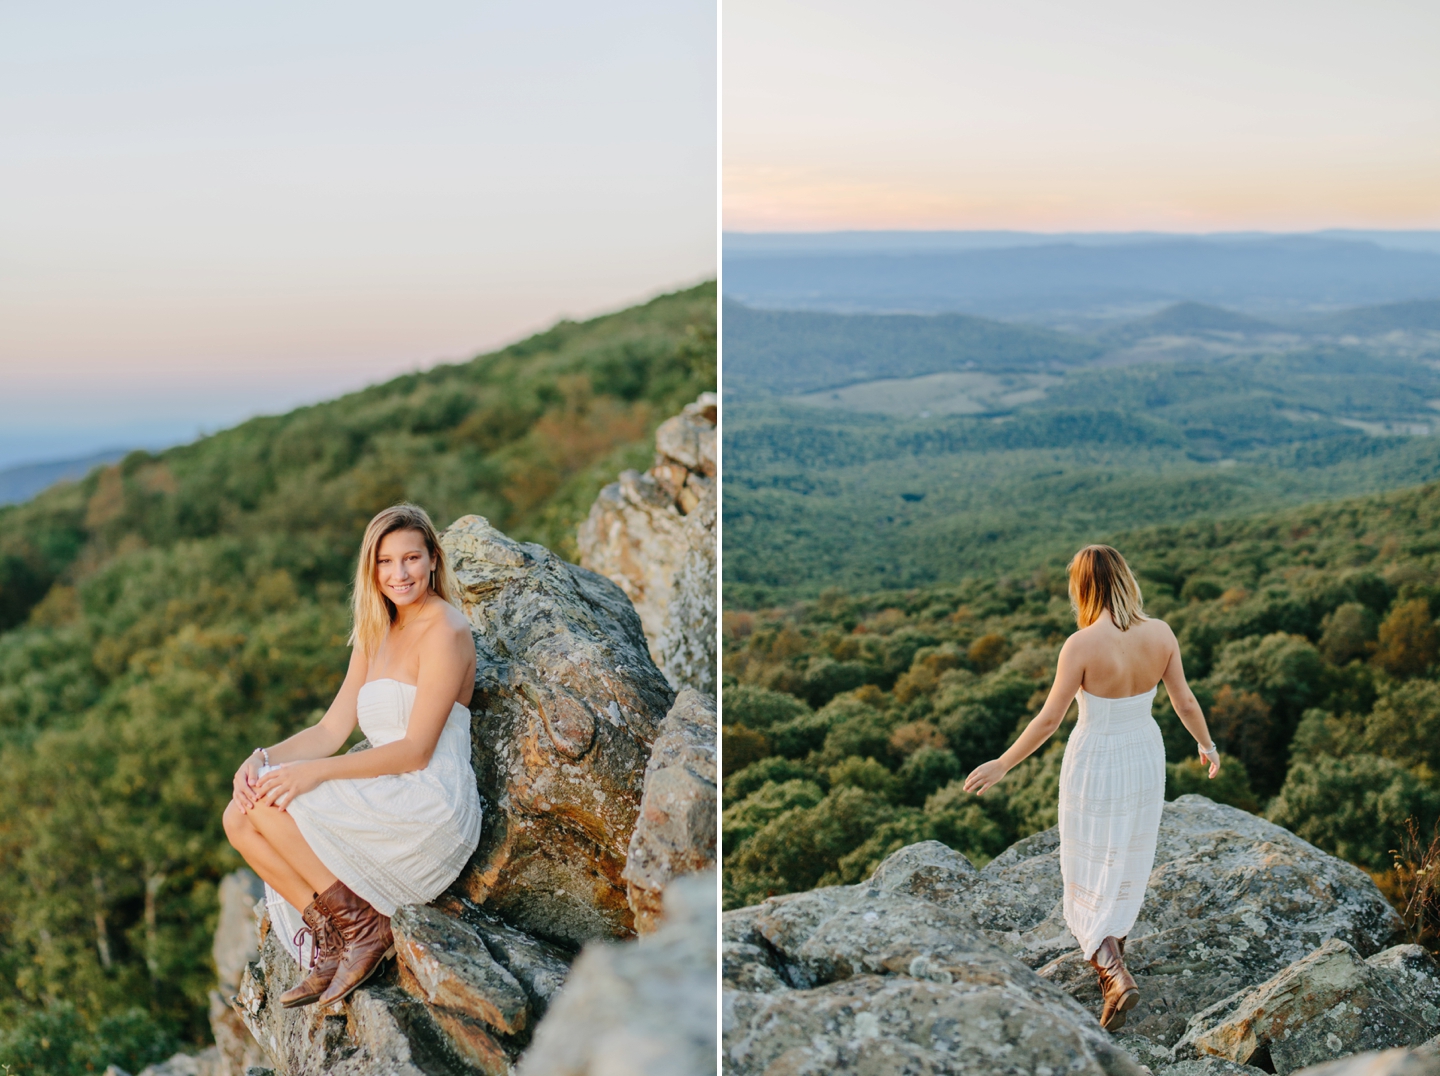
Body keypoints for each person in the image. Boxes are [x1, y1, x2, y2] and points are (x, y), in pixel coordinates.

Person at [222, 503, 482, 1008]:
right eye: (385, 562)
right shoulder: (375, 630)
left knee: (269, 804)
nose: (398, 574)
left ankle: (366, 927)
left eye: (410, 558)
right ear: (372, 568)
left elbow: (415, 750)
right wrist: (261, 757)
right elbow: (329, 729)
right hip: (385, 783)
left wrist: (311, 776)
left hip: (429, 797)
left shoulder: (447, 632)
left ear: (433, 558)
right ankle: (334, 938)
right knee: (239, 813)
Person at [962, 544, 1219, 1031]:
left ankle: (1113, 973)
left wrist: (1003, 763)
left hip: (1097, 754)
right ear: (1125, 578)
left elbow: (1049, 720)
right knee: (1126, 855)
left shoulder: (1080, 645)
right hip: (1144, 751)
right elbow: (1184, 700)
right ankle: (1112, 970)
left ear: (1082, 586)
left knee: (1085, 859)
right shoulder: (1161, 633)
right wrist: (1206, 744)